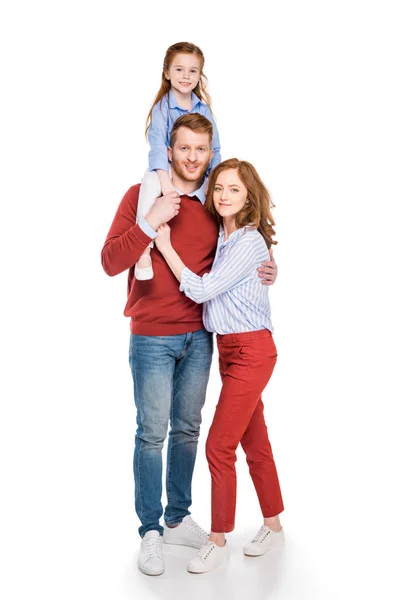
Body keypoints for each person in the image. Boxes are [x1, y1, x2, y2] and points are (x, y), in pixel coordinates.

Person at [101, 114, 277, 576]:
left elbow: (242, 246)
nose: (194, 158)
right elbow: (109, 261)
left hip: (201, 338)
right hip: (151, 337)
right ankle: (151, 531)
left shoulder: (212, 206)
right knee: (151, 434)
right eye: (185, 148)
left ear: (210, 151)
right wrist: (149, 224)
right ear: (169, 150)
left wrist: (270, 262)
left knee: (188, 433)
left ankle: (178, 518)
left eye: (203, 149)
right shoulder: (141, 197)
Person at [154, 158, 284, 574]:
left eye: (235, 190)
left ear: (249, 198)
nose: (225, 195)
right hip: (228, 350)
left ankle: (217, 539)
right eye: (221, 188)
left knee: (217, 446)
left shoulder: (247, 242)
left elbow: (205, 288)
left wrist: (167, 248)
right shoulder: (225, 238)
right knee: (254, 441)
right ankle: (273, 525)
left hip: (251, 351)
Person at [135, 41, 221, 281]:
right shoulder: (162, 109)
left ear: (199, 75)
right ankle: (143, 251)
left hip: (196, 175)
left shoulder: (203, 110)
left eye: (193, 71)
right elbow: (158, 149)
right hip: (167, 172)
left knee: (224, 200)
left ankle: (231, 247)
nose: (186, 76)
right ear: (167, 73)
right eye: (179, 69)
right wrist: (166, 184)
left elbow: (215, 149)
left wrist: (214, 181)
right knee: (148, 184)